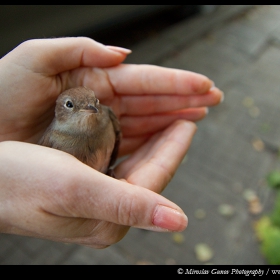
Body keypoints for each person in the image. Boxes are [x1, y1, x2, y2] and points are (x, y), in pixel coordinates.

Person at [0, 37, 223, 248]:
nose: (89, 109)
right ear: (59, 111)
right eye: (70, 106)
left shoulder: (106, 116)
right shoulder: (52, 141)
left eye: (93, 103)